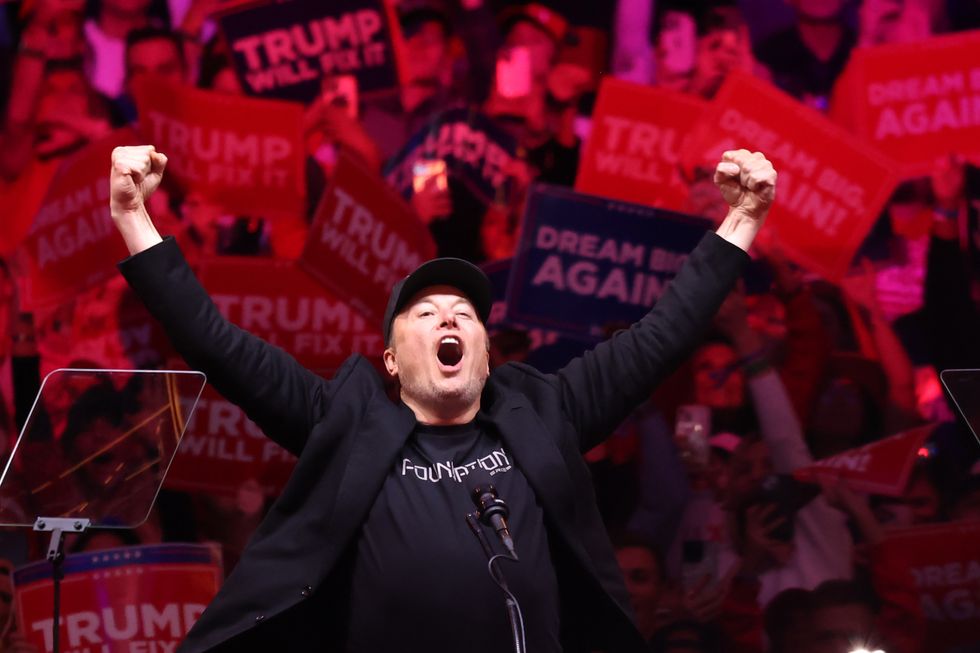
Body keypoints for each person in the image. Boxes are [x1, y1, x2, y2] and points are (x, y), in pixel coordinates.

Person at [107, 143, 775, 652]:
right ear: (392, 361)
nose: (451, 318)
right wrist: (135, 217)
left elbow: (661, 337)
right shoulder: (343, 417)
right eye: (426, 314)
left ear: (487, 354)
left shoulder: (546, 408)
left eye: (465, 313)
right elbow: (217, 344)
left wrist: (741, 220)